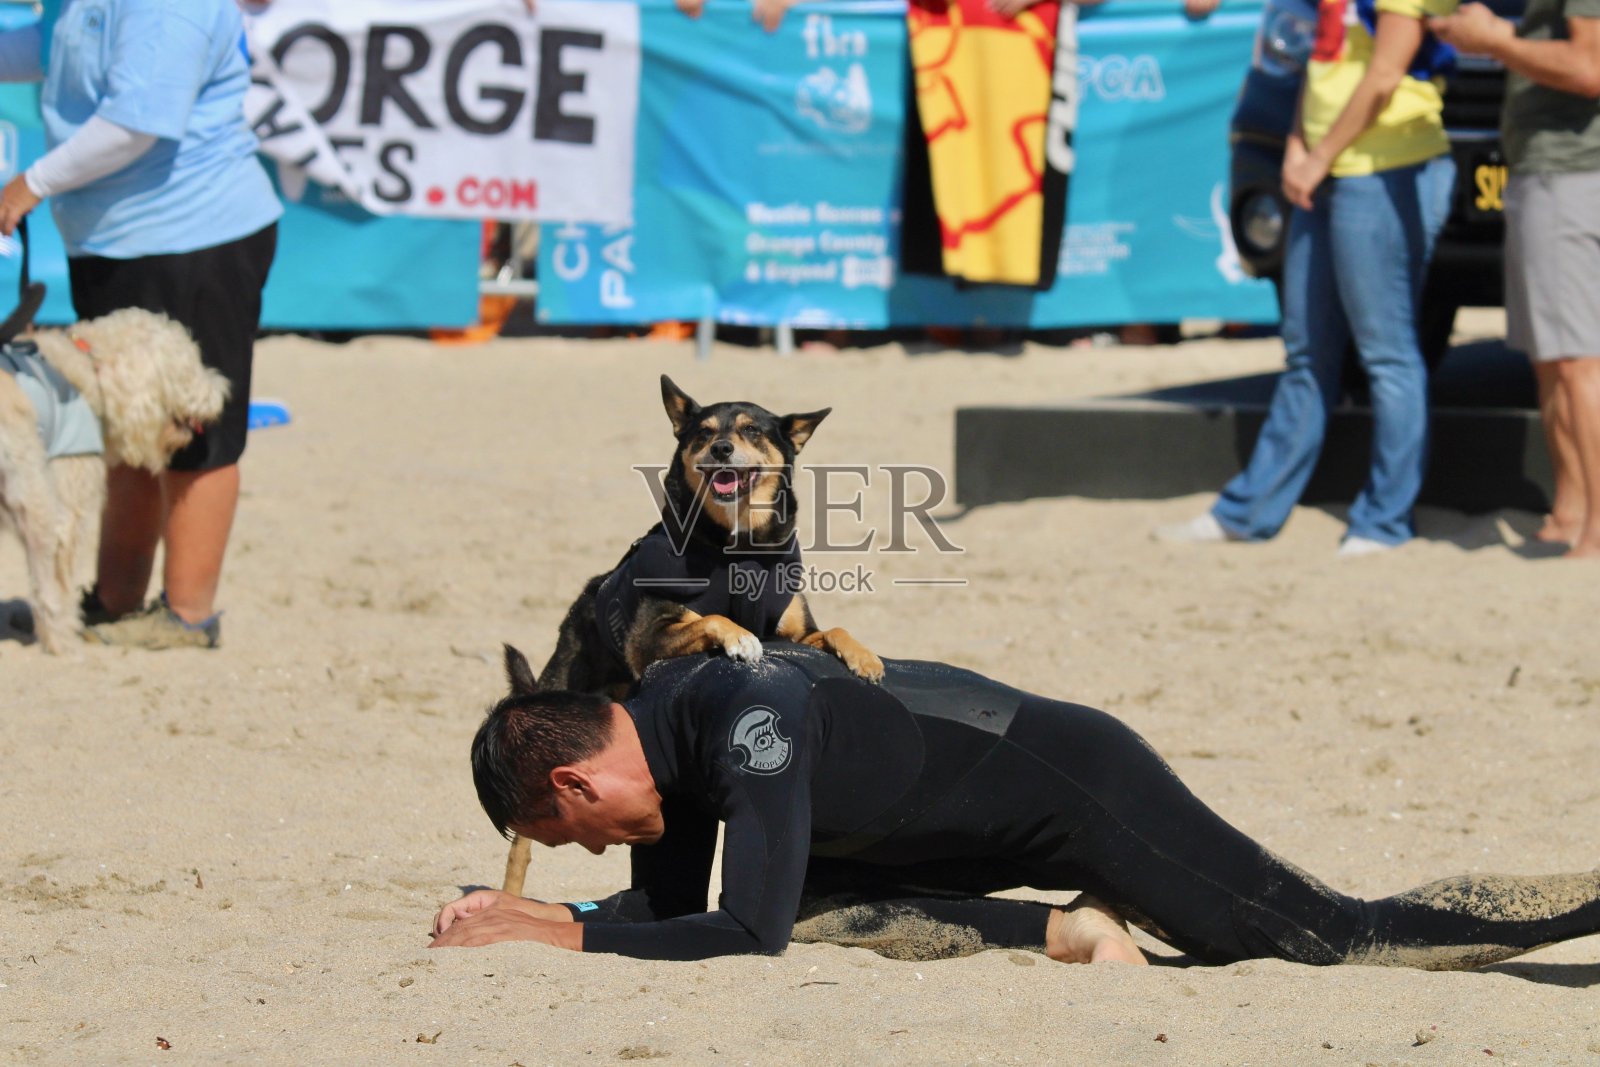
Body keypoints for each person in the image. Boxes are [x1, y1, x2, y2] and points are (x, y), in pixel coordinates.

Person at [431, 643, 1600, 967]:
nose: (584, 845)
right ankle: (1069, 929)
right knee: (817, 893)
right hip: (972, 821)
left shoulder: (743, 718)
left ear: (578, 782)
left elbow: (745, 935)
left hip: (1075, 785)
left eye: (562, 834)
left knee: (1328, 935)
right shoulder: (664, 741)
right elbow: (662, 910)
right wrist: (551, 912)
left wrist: (554, 926)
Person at [0, 0, 282, 648]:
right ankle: (117, 602)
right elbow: (33, 52)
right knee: (123, 427)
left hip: (195, 234)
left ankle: (186, 616)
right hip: (113, 238)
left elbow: (138, 122)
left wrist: (31, 183)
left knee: (195, 426)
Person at [1155, 0, 1459, 555]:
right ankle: (1248, 512)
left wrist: (1318, 155)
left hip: (1383, 170)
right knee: (1305, 351)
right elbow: (1319, 67)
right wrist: (1298, 145)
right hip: (1323, 168)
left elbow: (1387, 73)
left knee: (1386, 353)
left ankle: (1384, 520)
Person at [1430, 1, 1600, 558]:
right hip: (1543, 172)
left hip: (1571, 174)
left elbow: (1589, 66)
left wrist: (1497, 43)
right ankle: (1570, 512)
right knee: (1550, 358)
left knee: (1578, 362)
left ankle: (1597, 527)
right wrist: (1496, 31)